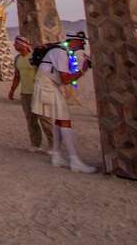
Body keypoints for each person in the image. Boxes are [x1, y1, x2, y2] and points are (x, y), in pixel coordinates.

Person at [32, 32, 96, 173]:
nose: (82, 45)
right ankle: (74, 160)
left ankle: (56, 155)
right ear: (74, 41)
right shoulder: (60, 52)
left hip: (49, 85)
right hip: (47, 87)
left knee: (59, 120)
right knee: (65, 119)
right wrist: (83, 69)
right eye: (81, 42)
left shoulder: (61, 51)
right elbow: (66, 79)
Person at [7, 36, 52, 152]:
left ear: (25, 45)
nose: (14, 46)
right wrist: (12, 90)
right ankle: (35, 144)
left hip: (38, 92)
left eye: (17, 43)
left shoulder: (35, 57)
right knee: (31, 120)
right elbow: (17, 76)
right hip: (25, 93)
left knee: (45, 120)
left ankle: (53, 145)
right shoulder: (17, 59)